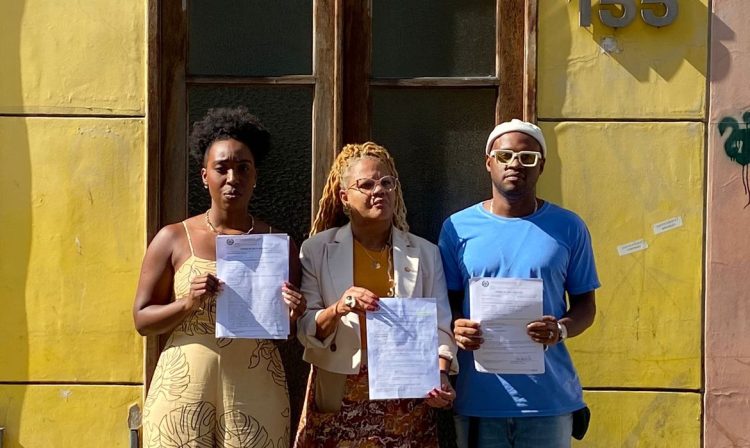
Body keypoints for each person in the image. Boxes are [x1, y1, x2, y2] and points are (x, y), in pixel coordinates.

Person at [133, 106, 305, 447]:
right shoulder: (173, 237)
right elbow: (142, 320)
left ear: (255, 176)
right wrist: (188, 303)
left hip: (254, 386)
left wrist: (293, 314)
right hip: (184, 387)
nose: (233, 178)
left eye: (243, 168)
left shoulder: (278, 244)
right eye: (222, 168)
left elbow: (289, 335)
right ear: (204, 176)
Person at [438, 119, 600, 448]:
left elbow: (586, 306)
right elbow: (445, 301)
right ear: (489, 162)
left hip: (549, 403)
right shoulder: (457, 228)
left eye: (527, 158)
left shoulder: (568, 228)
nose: (515, 164)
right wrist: (456, 325)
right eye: (505, 155)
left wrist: (561, 329)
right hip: (479, 401)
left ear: (542, 166)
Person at [293, 142, 457, 447]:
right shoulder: (317, 250)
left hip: (406, 391)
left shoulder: (424, 253)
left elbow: (440, 327)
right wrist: (339, 307)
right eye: (366, 184)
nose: (378, 190)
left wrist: (441, 375)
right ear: (344, 197)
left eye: (386, 183)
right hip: (341, 389)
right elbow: (305, 328)